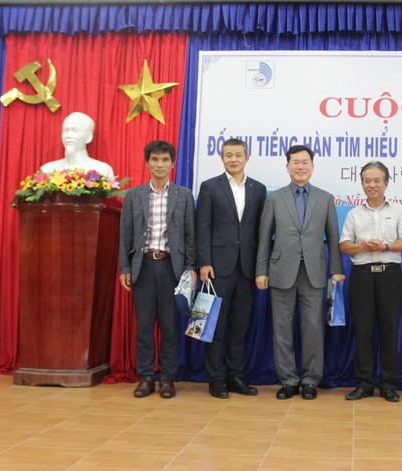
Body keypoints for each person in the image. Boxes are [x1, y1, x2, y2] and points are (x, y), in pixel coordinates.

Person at [255, 144, 344, 400]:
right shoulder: (274, 198)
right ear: (287, 166)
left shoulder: (325, 198)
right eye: (295, 162)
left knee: (313, 328)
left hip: (314, 272)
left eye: (305, 162)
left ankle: (310, 380)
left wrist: (336, 270)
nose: (300, 167)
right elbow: (264, 239)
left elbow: (333, 237)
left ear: (312, 167)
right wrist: (261, 270)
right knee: (282, 328)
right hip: (281, 270)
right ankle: (289, 380)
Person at [119, 140, 196, 399]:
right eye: (155, 159)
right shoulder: (134, 195)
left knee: (169, 325)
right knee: (143, 326)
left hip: (170, 268)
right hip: (143, 266)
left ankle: (167, 378)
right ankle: (145, 377)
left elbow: (190, 237)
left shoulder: (184, 195)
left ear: (172, 163)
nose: (160, 164)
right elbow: (125, 235)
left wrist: (190, 268)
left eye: (165, 160)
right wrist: (124, 268)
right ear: (148, 162)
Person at [196, 138, 266, 399]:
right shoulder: (210, 187)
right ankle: (215, 378)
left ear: (247, 157)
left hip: (246, 269)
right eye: (228, 155)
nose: (233, 159)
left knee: (240, 326)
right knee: (214, 325)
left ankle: (235, 375)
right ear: (222, 158)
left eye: (238, 155)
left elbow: (261, 231)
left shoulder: (259, 189)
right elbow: (201, 227)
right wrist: (204, 261)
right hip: (216, 269)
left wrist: (261, 267)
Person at [339, 162, 402, 403]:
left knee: (389, 330)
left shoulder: (400, 211)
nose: (372, 185)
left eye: (376, 180)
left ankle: (389, 384)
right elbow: (343, 246)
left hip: (390, 275)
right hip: (361, 276)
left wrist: (384, 246)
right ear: (362, 184)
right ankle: (364, 384)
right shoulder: (354, 213)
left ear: (386, 183)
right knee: (362, 330)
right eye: (367, 181)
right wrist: (361, 245)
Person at [41, 112, 115, 177]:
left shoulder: (102, 170)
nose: (68, 135)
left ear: (88, 137)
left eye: (75, 130)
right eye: (65, 130)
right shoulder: (47, 169)